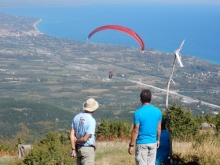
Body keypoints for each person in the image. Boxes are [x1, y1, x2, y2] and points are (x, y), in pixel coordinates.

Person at [128, 89, 162, 165]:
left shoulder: (138, 113)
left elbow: (135, 130)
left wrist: (131, 145)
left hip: (142, 143)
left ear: (141, 99)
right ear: (150, 98)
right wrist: (158, 140)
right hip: (153, 142)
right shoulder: (158, 111)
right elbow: (159, 128)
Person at [70, 98, 99, 165]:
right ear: (94, 109)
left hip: (78, 148)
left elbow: (71, 134)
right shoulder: (91, 120)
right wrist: (76, 140)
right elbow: (85, 138)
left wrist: (73, 149)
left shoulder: (76, 117)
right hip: (87, 149)